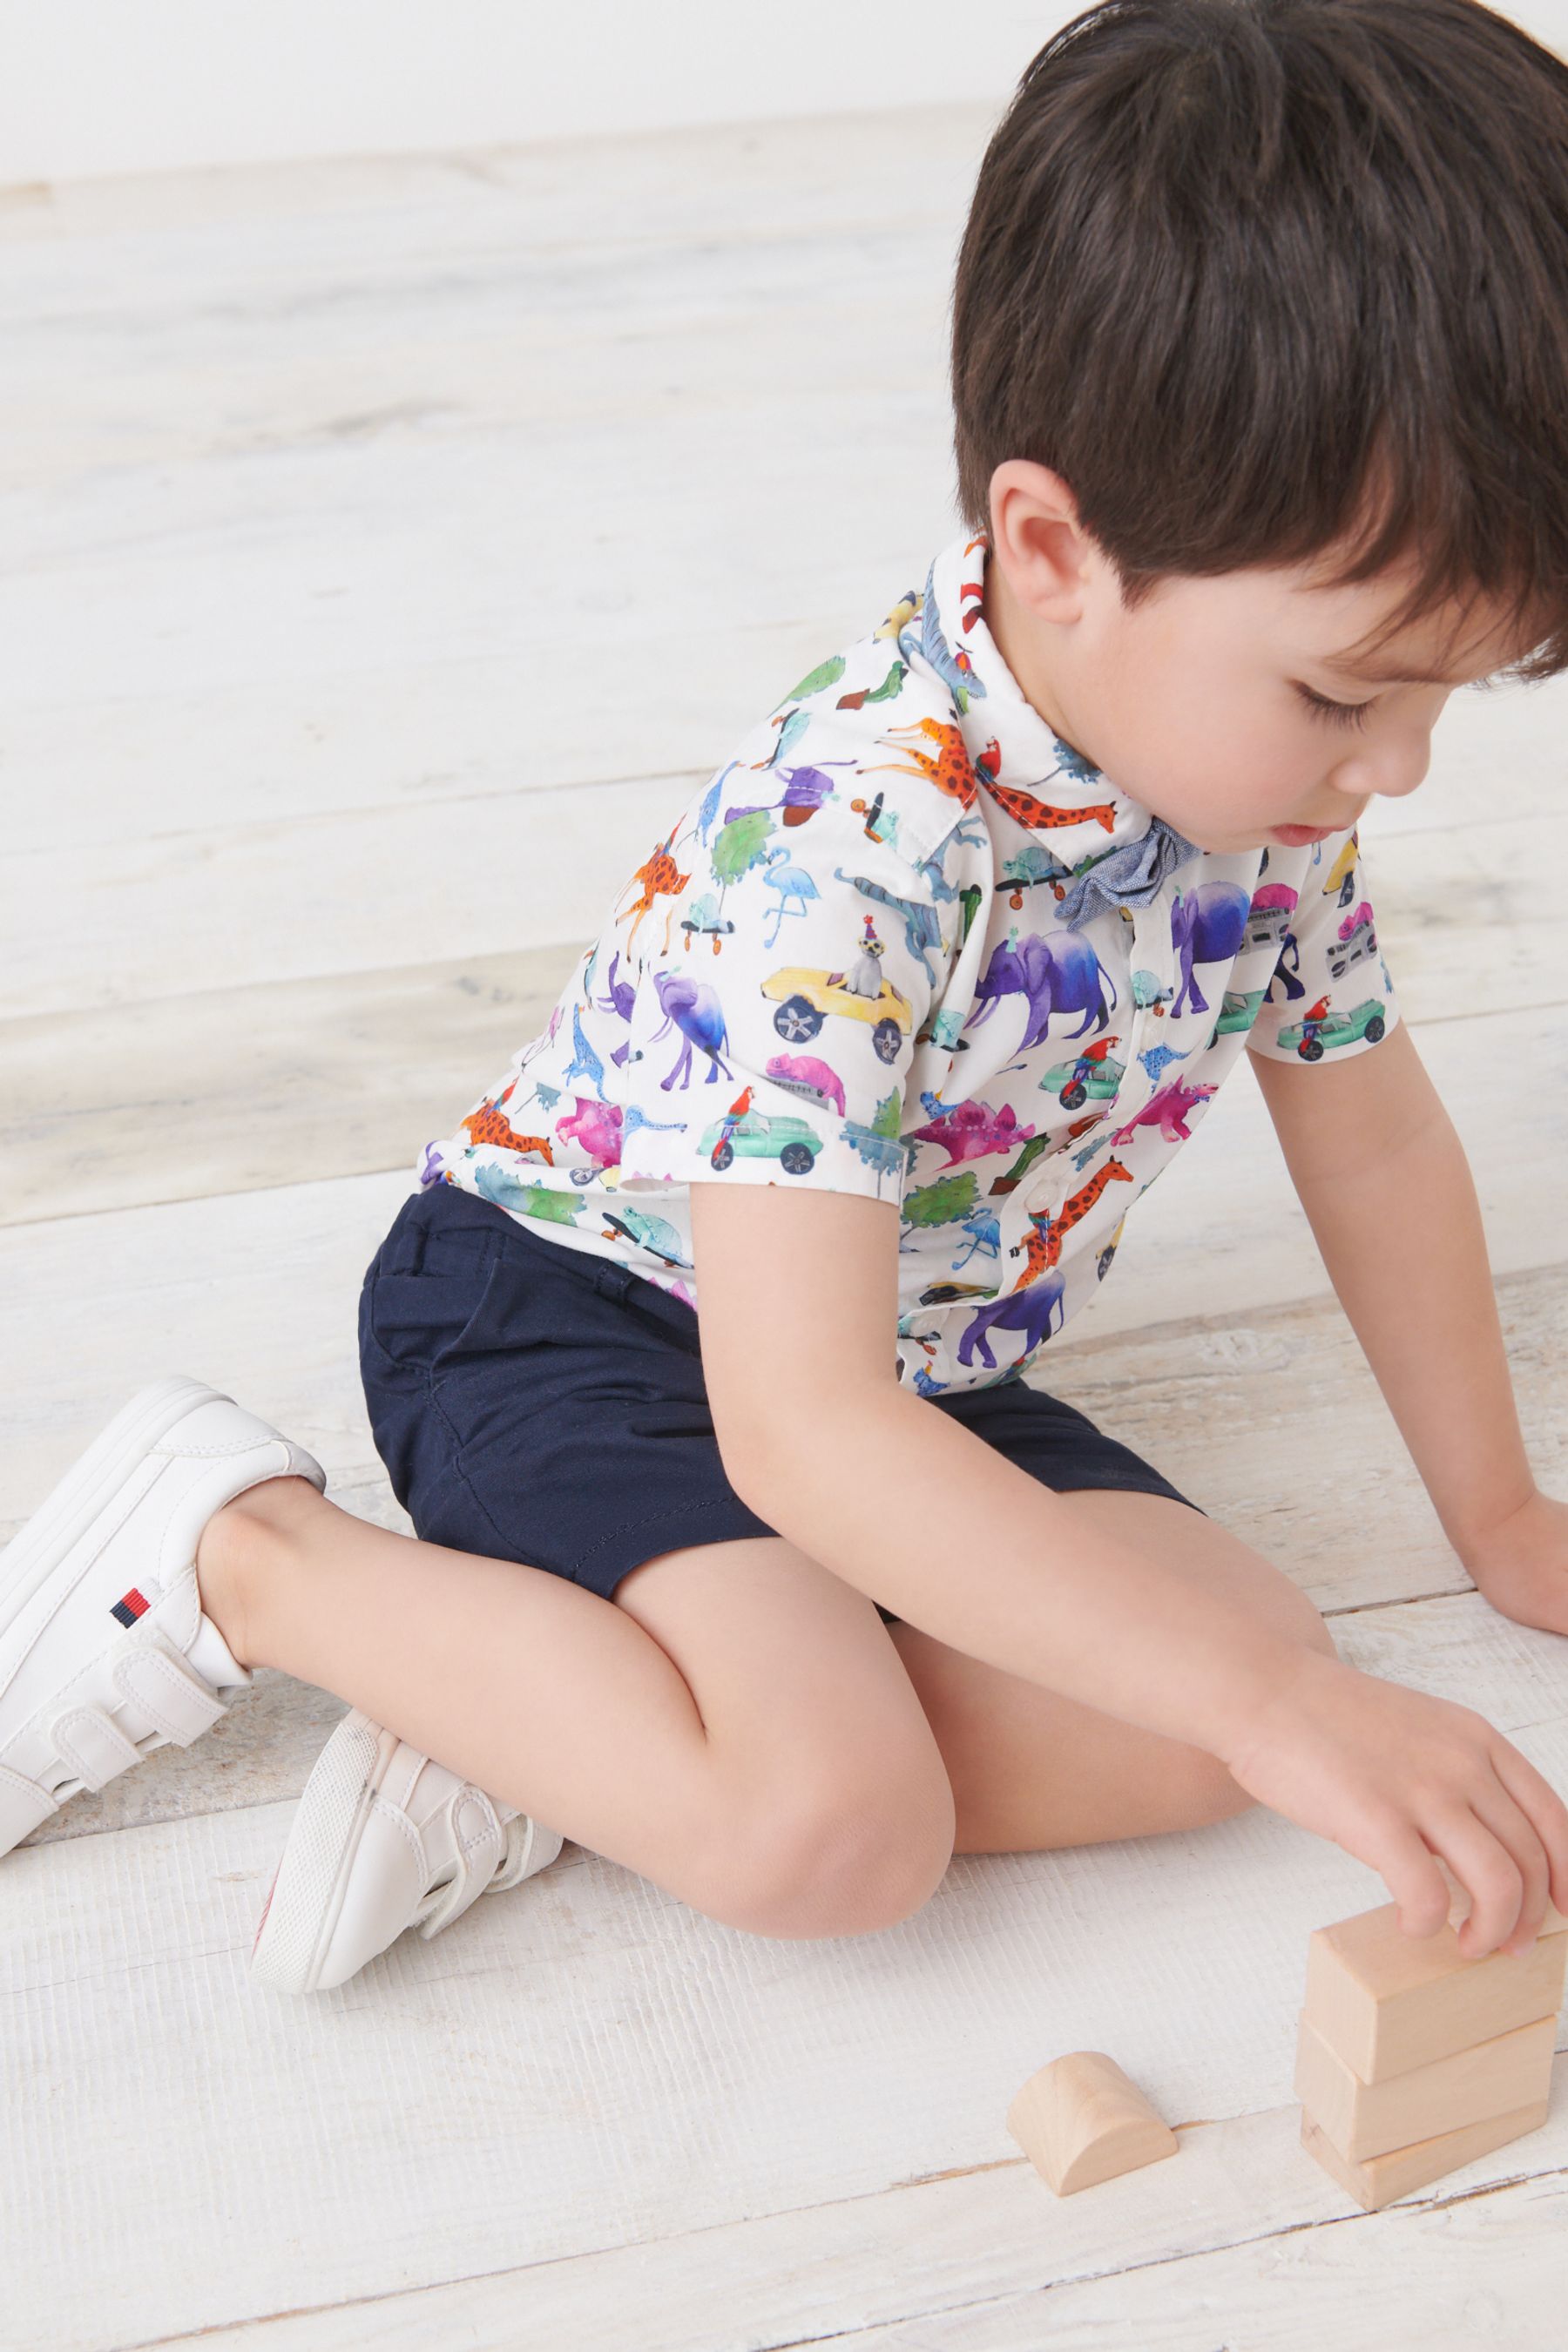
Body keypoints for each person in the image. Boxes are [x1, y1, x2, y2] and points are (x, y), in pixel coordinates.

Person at [5, 0, 1568, 1999]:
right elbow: (801, 1430)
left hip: (898, 1363)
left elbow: (1374, 1132)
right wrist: (1275, 1712)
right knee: (833, 1832)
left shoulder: (1255, 800)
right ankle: (250, 1557)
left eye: (1454, 691)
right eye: (1352, 693)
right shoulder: (853, 850)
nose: (1403, 767)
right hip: (581, 1319)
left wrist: (1501, 1513)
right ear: (1052, 545)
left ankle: (569, 1715)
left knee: (1221, 1697)